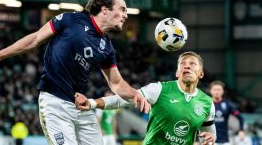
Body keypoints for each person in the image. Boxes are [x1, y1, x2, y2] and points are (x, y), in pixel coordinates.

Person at [0, 0, 150, 145]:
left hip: (81, 106)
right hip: (55, 103)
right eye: (122, 9)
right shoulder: (70, 20)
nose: (126, 15)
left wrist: (136, 94)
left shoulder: (107, 47)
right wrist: (0, 54)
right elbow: (35, 39)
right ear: (105, 10)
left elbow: (117, 83)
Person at [75, 51, 217, 145]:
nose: (187, 66)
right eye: (182, 64)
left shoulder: (207, 103)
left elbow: (210, 133)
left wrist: (211, 139)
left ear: (201, 74)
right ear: (177, 73)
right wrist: (92, 103)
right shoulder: (159, 89)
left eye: (192, 64)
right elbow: (123, 100)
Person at [209, 80, 244, 145]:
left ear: (223, 91)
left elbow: (240, 117)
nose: (217, 92)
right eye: (215, 89)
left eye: (219, 90)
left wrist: (241, 130)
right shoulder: (206, 104)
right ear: (210, 91)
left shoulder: (228, 104)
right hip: (210, 141)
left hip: (225, 141)